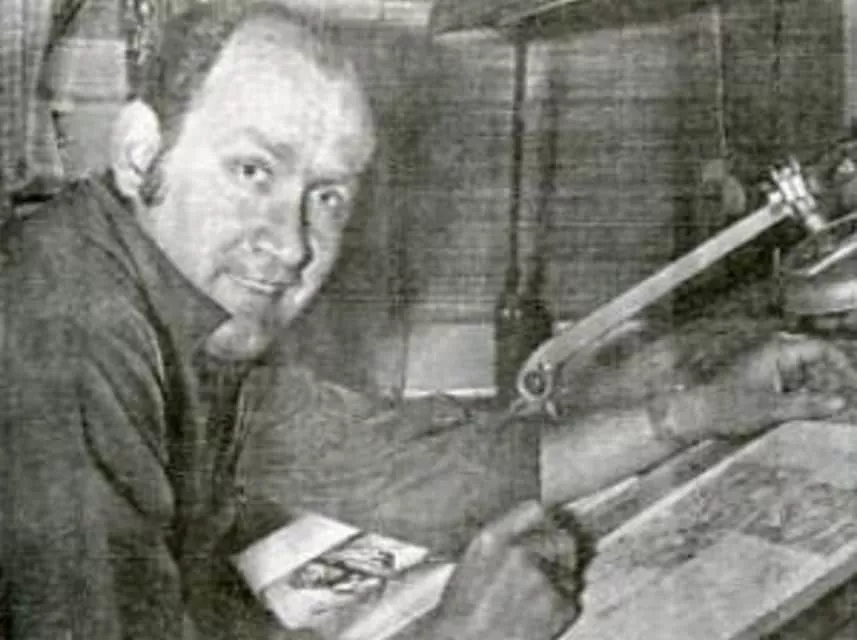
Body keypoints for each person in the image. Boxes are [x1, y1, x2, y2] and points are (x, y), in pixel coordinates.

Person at [0, 2, 854, 640]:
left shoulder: (184, 317)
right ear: (140, 152)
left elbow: (429, 469)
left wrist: (695, 411)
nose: (292, 245)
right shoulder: (68, 334)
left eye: (327, 196)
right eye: (253, 170)